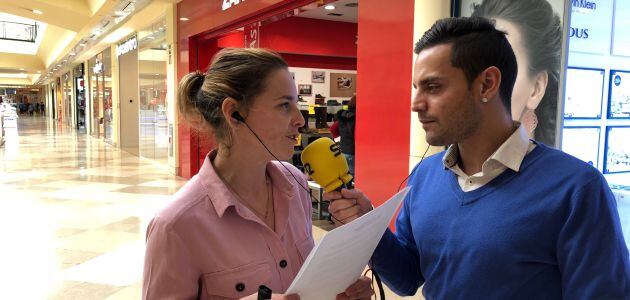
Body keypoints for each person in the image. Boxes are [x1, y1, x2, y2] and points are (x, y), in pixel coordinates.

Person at [326, 17, 630, 299]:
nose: (416, 104)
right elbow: (407, 277)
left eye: (433, 87)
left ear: (486, 84)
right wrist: (368, 224)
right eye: (416, 88)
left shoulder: (576, 189)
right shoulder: (425, 175)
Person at [143, 48, 372, 300]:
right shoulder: (175, 225)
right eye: (284, 105)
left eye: (295, 104)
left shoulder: (295, 183)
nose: (300, 120)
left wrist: (338, 286)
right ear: (233, 113)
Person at [472, 0, 561, 146]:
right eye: (472, 64)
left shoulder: (566, 168)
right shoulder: (435, 165)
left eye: (501, 66)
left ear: (536, 89)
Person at [329, 96, 356, 174]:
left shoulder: (343, 116)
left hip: (343, 150)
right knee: (353, 178)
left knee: (346, 176)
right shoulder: (357, 118)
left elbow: (333, 129)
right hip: (353, 151)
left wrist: (339, 140)